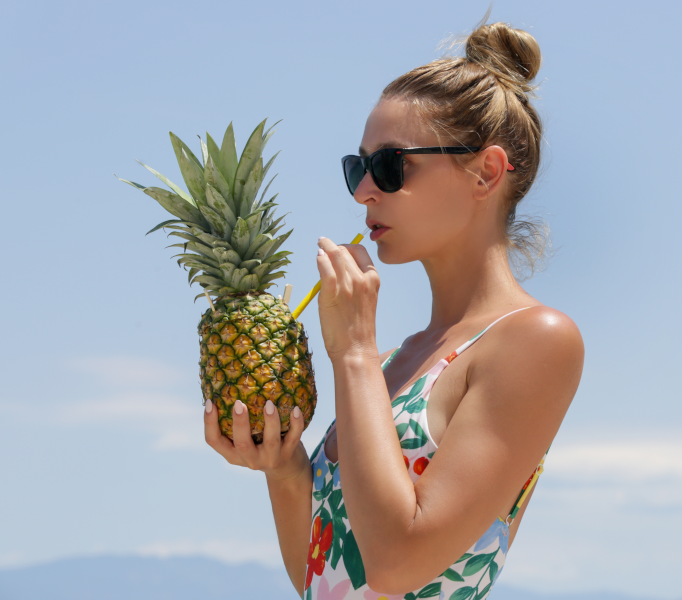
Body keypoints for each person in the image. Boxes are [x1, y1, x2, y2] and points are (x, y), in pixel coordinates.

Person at [204, 18, 584, 600]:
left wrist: (352, 351)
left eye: (389, 166)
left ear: (485, 171)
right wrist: (282, 469)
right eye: (357, 168)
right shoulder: (389, 365)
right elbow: (325, 575)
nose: (362, 192)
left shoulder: (537, 339)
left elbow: (396, 565)